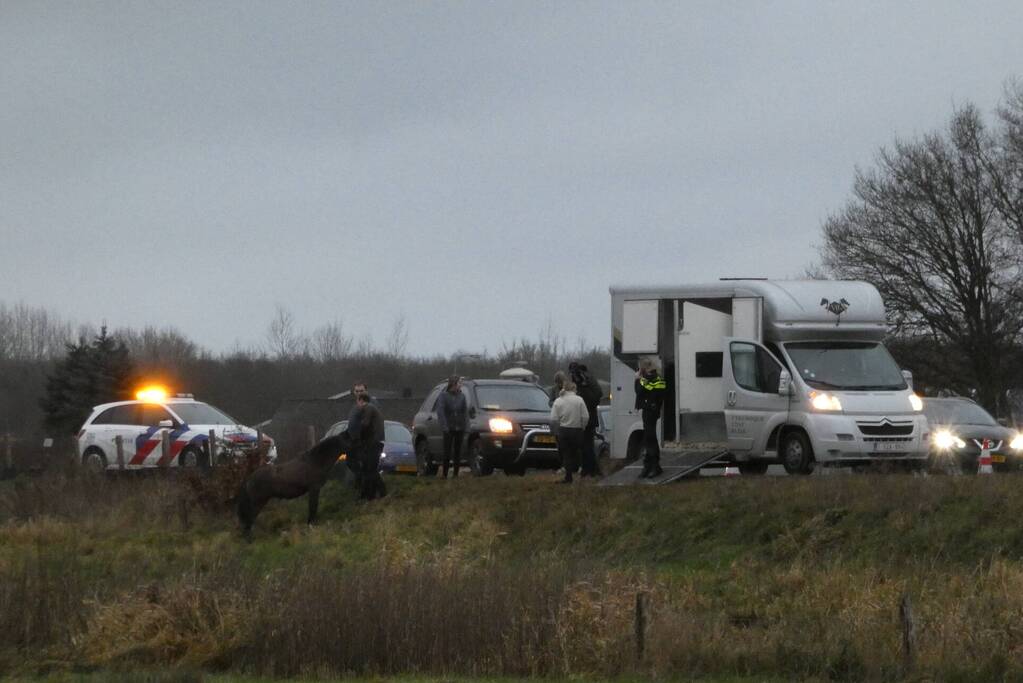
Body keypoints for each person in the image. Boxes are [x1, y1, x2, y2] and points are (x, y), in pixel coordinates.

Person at [347, 392, 387, 500]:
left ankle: (372, 495)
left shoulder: (368, 408)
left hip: (374, 443)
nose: (357, 405)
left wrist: (357, 434)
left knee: (370, 469)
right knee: (370, 469)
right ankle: (377, 493)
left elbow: (365, 424)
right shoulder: (372, 408)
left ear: (361, 400)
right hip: (375, 442)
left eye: (357, 402)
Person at [550, 379, 589, 484]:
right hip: (577, 430)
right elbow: (585, 416)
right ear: (573, 388)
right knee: (578, 452)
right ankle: (582, 471)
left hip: (563, 431)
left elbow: (553, 418)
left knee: (566, 454)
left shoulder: (558, 401)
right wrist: (582, 427)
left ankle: (568, 476)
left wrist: (557, 430)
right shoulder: (579, 400)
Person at [570, 361, 604, 477]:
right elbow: (598, 394)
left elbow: (585, 396)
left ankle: (590, 470)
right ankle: (591, 470)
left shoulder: (583, 380)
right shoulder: (590, 378)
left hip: (586, 417)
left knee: (586, 445)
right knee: (587, 445)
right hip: (591, 416)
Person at [635, 358, 667, 478]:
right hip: (652, 410)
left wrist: (637, 379)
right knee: (649, 438)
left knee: (650, 438)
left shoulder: (649, 380)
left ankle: (653, 466)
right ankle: (650, 466)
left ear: (644, 368)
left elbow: (639, 391)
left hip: (649, 411)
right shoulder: (657, 379)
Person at [436, 375, 468, 478]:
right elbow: (440, 412)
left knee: (458, 452)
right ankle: (444, 474)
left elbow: (464, 412)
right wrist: (445, 427)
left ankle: (455, 474)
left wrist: (466, 425)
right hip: (449, 428)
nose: (460, 386)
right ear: (453, 384)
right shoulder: (443, 396)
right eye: (459, 383)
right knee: (447, 452)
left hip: (460, 427)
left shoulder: (462, 396)